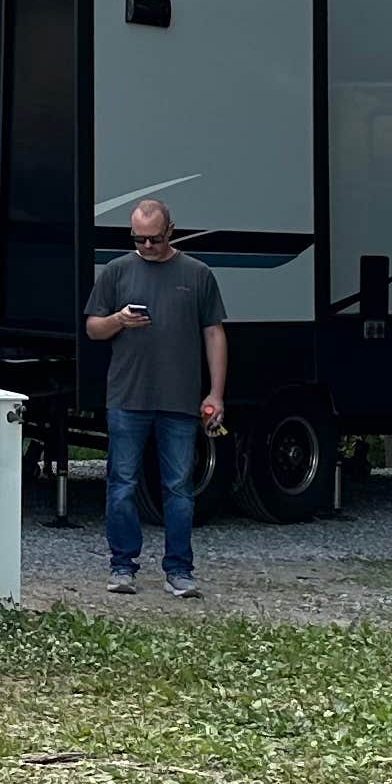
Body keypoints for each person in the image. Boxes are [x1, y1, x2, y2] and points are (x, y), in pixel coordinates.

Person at [85, 196, 226, 597]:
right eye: (139, 239)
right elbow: (93, 328)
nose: (147, 247)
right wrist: (119, 320)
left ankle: (179, 570)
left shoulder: (197, 274)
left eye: (154, 239)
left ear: (171, 232)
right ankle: (122, 565)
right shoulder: (116, 271)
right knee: (122, 483)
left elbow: (214, 333)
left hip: (180, 400)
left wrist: (215, 393)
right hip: (127, 396)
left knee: (179, 488)